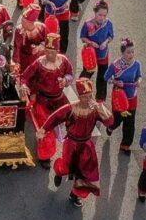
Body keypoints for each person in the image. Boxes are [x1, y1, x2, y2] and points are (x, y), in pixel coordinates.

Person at [37, 77, 112, 206]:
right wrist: (43, 130)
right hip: (71, 144)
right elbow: (55, 117)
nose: (88, 99)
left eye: (90, 96)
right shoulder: (71, 108)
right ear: (79, 96)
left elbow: (110, 122)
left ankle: (75, 195)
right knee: (66, 167)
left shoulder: (95, 109)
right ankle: (58, 171)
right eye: (85, 96)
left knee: (87, 172)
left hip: (87, 145)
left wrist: (100, 108)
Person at [20, 30, 74, 167]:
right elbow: (25, 77)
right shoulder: (39, 63)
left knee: (68, 125)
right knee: (45, 128)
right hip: (42, 101)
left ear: (57, 51)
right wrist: (24, 86)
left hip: (59, 100)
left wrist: (66, 80)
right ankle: (44, 156)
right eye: (48, 51)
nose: (50, 54)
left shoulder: (64, 61)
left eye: (53, 51)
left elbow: (70, 74)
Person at [105, 37, 142, 154]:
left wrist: (139, 81)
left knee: (130, 123)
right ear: (122, 52)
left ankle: (125, 145)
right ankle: (111, 127)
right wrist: (115, 82)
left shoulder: (136, 64)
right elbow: (106, 77)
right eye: (128, 52)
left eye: (132, 52)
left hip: (132, 98)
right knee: (117, 120)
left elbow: (139, 76)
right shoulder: (115, 65)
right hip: (120, 97)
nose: (131, 54)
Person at [80, 0, 114, 102]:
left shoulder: (108, 24)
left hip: (103, 55)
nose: (102, 18)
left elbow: (111, 36)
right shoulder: (87, 24)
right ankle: (83, 93)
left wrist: (106, 42)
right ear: (95, 12)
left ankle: (100, 99)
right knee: (86, 74)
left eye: (104, 15)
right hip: (91, 55)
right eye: (100, 15)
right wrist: (90, 43)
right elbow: (82, 37)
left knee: (102, 77)